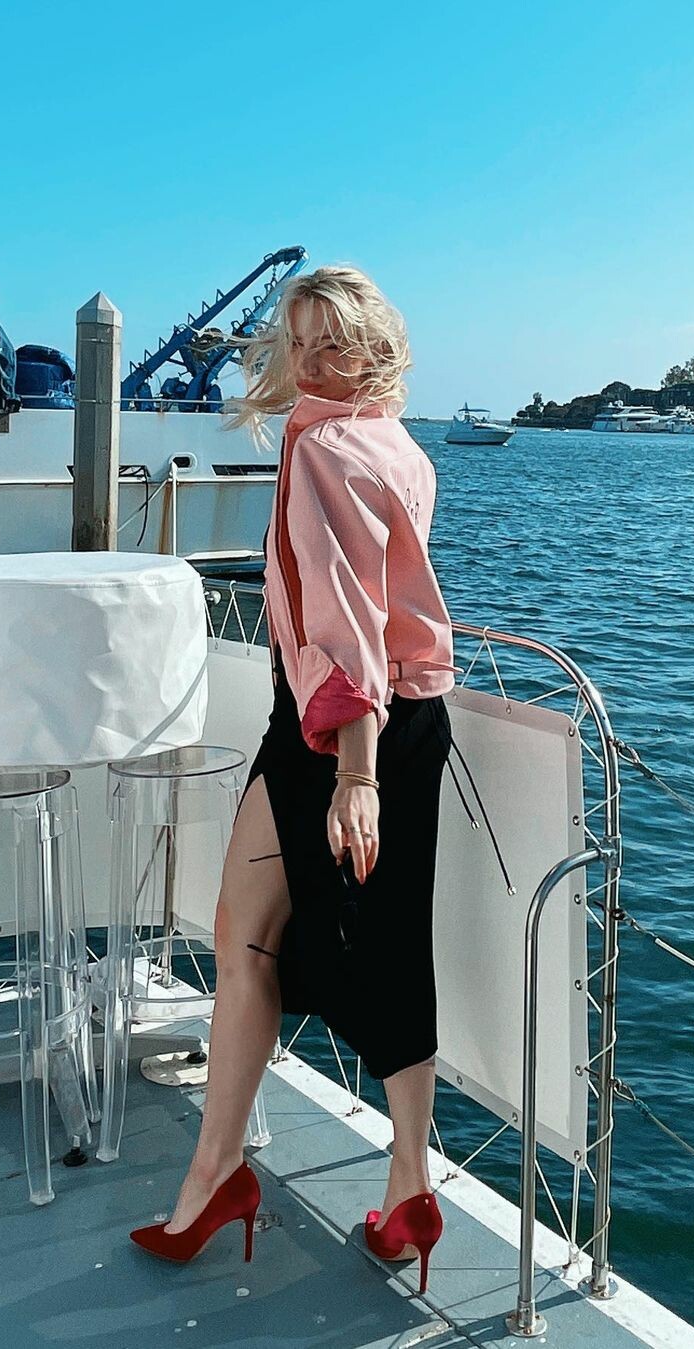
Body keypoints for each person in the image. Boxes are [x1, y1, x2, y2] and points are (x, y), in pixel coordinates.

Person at [128, 265, 458, 1294]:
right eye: (300, 342)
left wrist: (354, 772)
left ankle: (214, 1178)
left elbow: (347, 621)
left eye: (333, 342)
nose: (312, 361)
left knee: (244, 935)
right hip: (410, 719)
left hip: (336, 732)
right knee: (391, 944)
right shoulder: (400, 445)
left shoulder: (322, 449)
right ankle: (408, 1185)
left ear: (373, 347)